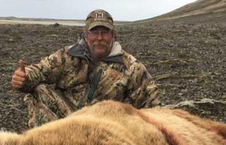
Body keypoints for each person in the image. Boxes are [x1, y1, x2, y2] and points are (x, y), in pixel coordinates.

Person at [12, 9, 161, 127]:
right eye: (94, 32)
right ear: (86, 34)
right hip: (67, 118)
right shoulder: (68, 55)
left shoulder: (131, 67)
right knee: (38, 91)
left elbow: (153, 107)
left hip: (105, 128)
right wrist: (25, 78)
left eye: (105, 32)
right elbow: (40, 70)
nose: (99, 38)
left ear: (113, 35)